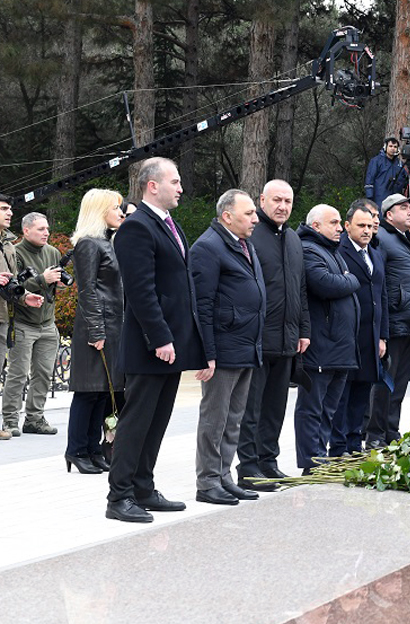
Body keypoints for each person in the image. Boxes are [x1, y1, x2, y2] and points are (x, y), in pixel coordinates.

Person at [107, 157, 207, 523]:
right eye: (174, 181)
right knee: (136, 422)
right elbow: (141, 291)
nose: (180, 188)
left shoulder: (167, 223)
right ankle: (119, 497)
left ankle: (143, 488)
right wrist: (160, 337)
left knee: (157, 421)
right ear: (152, 185)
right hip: (150, 345)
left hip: (169, 346)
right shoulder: (137, 227)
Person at [188, 189, 266, 505]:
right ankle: (207, 482)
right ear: (227, 216)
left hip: (246, 344)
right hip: (223, 347)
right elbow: (201, 305)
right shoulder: (208, 247)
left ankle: (224, 476)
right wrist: (208, 353)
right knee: (215, 417)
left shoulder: (243, 245)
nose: (255, 219)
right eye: (249, 214)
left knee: (233, 418)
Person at [237, 179, 310, 492]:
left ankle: (269, 461)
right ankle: (249, 467)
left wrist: (304, 330)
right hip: (257, 339)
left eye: (288, 201)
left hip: (287, 339)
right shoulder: (253, 236)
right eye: (277, 200)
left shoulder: (293, 239)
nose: (282, 207)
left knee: (275, 407)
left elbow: (300, 288)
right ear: (262, 200)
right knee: (251, 408)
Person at [294, 204, 359, 471]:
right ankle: (312, 461)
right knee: (313, 408)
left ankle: (321, 456)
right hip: (321, 346)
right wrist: (350, 280)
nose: (340, 227)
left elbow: (339, 281)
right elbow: (324, 283)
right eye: (333, 222)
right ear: (316, 225)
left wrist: (345, 278)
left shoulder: (332, 252)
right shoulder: (309, 249)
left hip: (339, 348)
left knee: (328, 409)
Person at [65, 190, 125, 473]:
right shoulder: (89, 244)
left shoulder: (106, 242)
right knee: (88, 391)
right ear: (100, 210)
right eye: (116, 207)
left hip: (111, 325)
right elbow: (87, 291)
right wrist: (96, 330)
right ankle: (76, 449)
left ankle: (92, 448)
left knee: (103, 391)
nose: (121, 212)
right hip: (96, 326)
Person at [368, 193, 410, 448]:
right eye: (403, 208)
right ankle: (375, 435)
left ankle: (391, 431)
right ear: (388, 215)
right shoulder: (382, 239)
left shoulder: (408, 241)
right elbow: (377, 282)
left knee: (399, 385)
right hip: (393, 323)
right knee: (384, 384)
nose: (409, 211)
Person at [2, 212, 65, 436]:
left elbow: (58, 283)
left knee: (44, 373)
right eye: (40, 229)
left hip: (48, 323)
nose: (46, 233)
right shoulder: (15, 252)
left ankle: (34, 419)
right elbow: (14, 285)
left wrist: (60, 282)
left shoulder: (53, 252)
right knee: (17, 373)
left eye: (47, 229)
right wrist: (41, 280)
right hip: (22, 322)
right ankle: (9, 421)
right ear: (26, 231)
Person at [332, 203, 387, 456]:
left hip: (370, 336)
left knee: (362, 392)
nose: (367, 231)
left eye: (369, 226)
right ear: (347, 226)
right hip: (347, 335)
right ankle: (339, 445)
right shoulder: (339, 252)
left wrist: (382, 335)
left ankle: (355, 444)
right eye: (361, 226)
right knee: (343, 394)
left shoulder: (375, 254)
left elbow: (382, 296)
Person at [0, 195, 43, 441]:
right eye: (4, 209)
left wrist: (25, 296)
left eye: (10, 209)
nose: (10, 213)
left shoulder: (7, 243)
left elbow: (13, 282)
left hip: (4, 316)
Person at [364, 137, 408, 208]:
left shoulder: (400, 164)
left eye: (395, 147)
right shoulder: (376, 161)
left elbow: (405, 181)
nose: (393, 148)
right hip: (379, 198)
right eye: (390, 146)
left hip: (395, 200)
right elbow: (369, 179)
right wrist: (370, 198)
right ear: (385, 147)